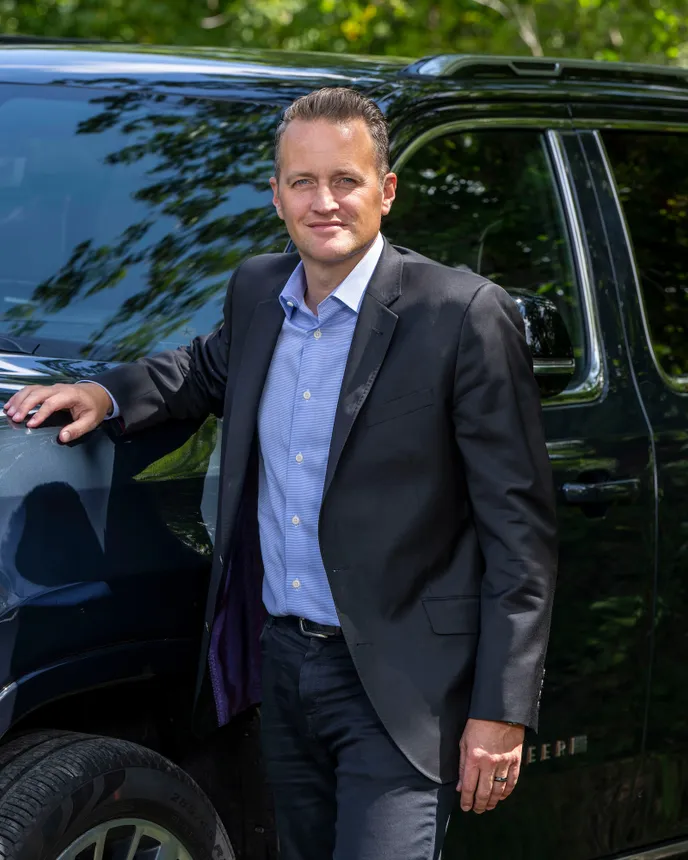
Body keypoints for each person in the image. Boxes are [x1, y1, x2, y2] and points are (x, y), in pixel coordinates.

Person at [5, 87, 557, 860]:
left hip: (400, 684)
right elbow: (201, 370)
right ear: (277, 194)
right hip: (284, 669)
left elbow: (520, 539)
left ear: (385, 191)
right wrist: (103, 391)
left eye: (345, 180)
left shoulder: (461, 315)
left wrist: (501, 712)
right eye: (302, 181)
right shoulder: (259, 290)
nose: (323, 201)